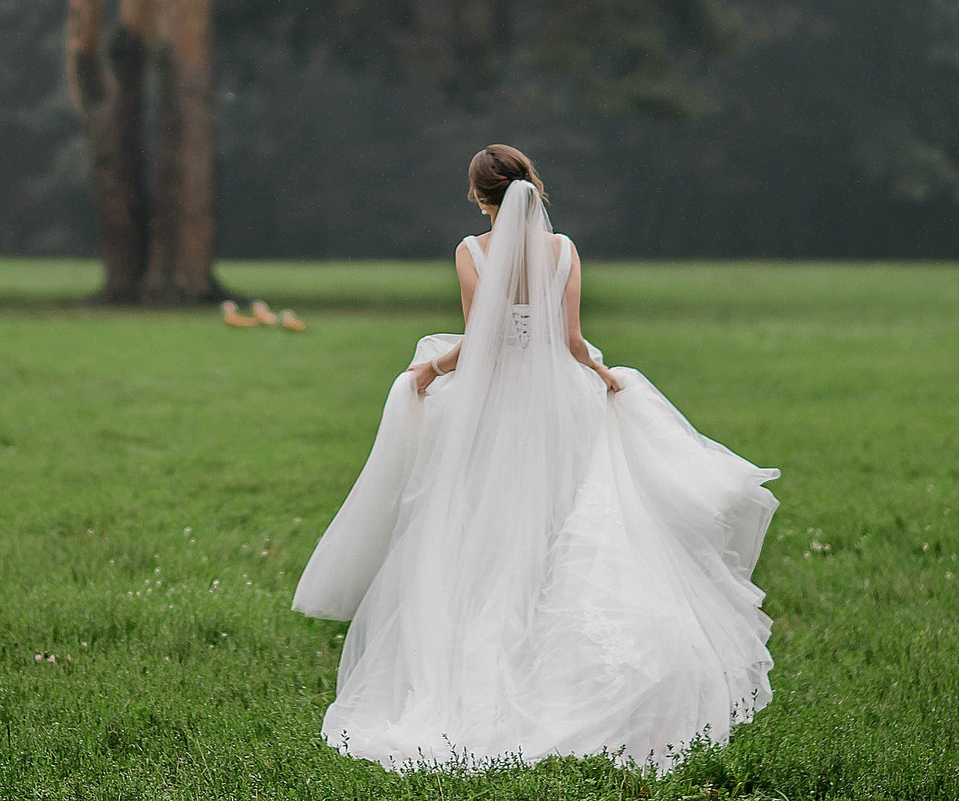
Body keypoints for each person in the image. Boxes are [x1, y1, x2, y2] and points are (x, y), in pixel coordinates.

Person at [293, 144, 779, 772]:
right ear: (532, 187)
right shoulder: (564, 251)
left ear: (478, 196)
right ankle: (564, 654)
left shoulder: (472, 253)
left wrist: (427, 370)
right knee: (562, 521)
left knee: (484, 529)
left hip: (496, 406)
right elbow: (572, 342)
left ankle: (482, 659)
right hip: (560, 404)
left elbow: (481, 341)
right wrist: (607, 377)